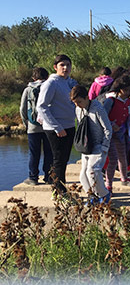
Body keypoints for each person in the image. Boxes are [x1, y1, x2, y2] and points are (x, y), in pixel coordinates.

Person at [36, 54, 76, 191]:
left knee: (64, 159)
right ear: (55, 67)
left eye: (68, 65)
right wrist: (56, 127)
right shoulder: (51, 83)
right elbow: (41, 106)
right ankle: (59, 191)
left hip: (69, 125)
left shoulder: (68, 82)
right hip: (57, 128)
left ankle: (60, 188)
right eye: (62, 65)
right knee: (58, 160)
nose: (65, 68)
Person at [70, 83, 113, 203]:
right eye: (74, 102)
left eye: (79, 101)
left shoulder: (97, 108)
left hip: (99, 145)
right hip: (86, 146)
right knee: (83, 175)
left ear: (86, 98)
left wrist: (105, 146)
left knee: (93, 171)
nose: (77, 105)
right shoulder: (78, 109)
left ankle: (104, 195)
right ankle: (91, 195)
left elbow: (108, 128)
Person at [20, 67, 52, 186]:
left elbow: (22, 109)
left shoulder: (28, 89)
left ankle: (33, 178)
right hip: (48, 126)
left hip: (33, 127)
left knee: (34, 153)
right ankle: (49, 177)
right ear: (47, 77)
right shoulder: (49, 87)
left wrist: (27, 123)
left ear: (33, 77)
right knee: (49, 152)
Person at [104, 76, 130, 192]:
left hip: (121, 132)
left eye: (129, 90)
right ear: (119, 88)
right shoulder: (110, 100)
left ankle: (124, 178)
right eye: (125, 89)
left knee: (123, 156)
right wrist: (111, 124)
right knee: (112, 159)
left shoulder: (127, 101)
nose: (127, 92)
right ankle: (108, 184)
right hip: (110, 134)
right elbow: (103, 116)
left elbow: (128, 113)